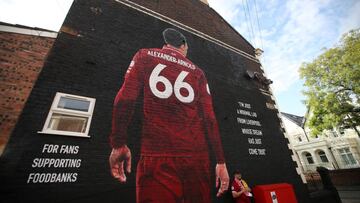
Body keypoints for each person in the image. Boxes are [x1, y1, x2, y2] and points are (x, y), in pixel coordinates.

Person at [109, 28, 229, 203]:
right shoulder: (197, 72)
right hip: (197, 159)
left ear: (166, 44)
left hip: (157, 156)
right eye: (187, 47)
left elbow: (125, 99)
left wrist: (118, 143)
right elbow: (210, 119)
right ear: (183, 45)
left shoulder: (144, 55)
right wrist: (221, 161)